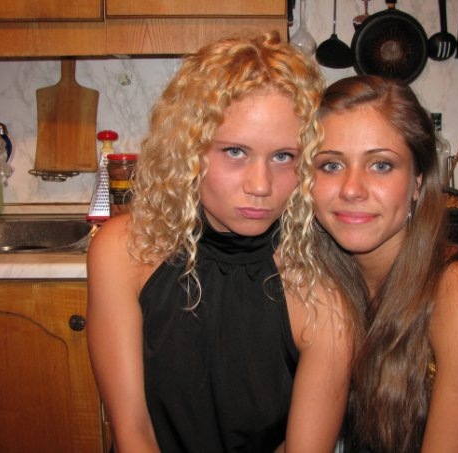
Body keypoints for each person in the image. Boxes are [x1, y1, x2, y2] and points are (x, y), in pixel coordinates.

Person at [86, 32, 358, 453]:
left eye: (284, 156)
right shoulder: (124, 251)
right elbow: (132, 432)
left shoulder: (322, 296)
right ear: (188, 149)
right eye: (235, 152)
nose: (260, 185)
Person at [283, 75, 458, 452]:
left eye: (381, 165)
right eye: (330, 165)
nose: (351, 189)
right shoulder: (319, 280)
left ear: (417, 182)